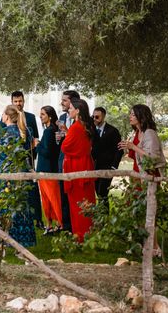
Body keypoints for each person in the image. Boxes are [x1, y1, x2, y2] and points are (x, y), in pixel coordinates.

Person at [118, 104, 166, 255]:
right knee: (136, 210)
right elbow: (136, 154)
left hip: (149, 175)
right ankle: (142, 244)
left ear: (141, 116)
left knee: (149, 211)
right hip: (137, 175)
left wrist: (134, 147)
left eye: (133, 114)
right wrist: (128, 148)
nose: (130, 117)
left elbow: (153, 157)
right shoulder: (137, 133)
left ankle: (155, 247)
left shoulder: (150, 133)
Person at [0, 105, 37, 247]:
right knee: (21, 204)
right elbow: (30, 149)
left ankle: (4, 241)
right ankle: (23, 241)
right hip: (21, 171)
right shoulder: (25, 132)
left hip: (5, 171)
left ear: (6, 116)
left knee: (4, 203)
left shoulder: (1, 132)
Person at [61, 98, 96, 242]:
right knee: (87, 200)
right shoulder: (85, 125)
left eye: (70, 108)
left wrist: (66, 136)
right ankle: (88, 233)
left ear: (77, 110)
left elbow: (65, 147)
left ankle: (80, 235)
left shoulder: (76, 127)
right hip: (85, 163)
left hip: (76, 165)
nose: (68, 110)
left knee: (77, 203)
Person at [35, 106, 62, 233]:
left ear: (50, 116)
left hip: (47, 169)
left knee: (51, 198)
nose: (40, 116)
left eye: (43, 114)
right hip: (48, 169)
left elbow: (47, 152)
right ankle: (50, 224)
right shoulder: (53, 130)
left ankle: (58, 223)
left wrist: (37, 145)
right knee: (47, 198)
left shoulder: (49, 131)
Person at [57, 90, 80, 232]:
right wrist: (60, 137)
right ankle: (66, 227)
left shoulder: (82, 119)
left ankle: (77, 227)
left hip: (76, 161)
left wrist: (67, 132)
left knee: (75, 195)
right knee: (62, 194)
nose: (62, 103)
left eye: (65, 100)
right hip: (62, 158)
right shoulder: (61, 117)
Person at [91, 107, 122, 206]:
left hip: (107, 167)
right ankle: (101, 217)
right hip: (94, 167)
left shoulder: (113, 131)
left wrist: (114, 166)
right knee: (98, 192)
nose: (94, 119)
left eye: (97, 117)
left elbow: (119, 150)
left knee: (102, 193)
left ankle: (104, 218)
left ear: (103, 117)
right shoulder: (91, 131)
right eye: (93, 117)